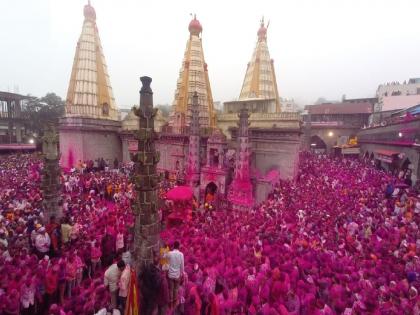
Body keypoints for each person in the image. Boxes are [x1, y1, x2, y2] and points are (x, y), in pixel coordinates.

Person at [165, 241, 184, 309]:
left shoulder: (169, 253)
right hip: (177, 275)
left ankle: (170, 305)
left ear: (173, 246)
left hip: (170, 275)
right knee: (176, 289)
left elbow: (166, 262)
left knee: (171, 290)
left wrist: (166, 272)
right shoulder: (181, 254)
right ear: (178, 246)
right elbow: (182, 266)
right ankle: (174, 305)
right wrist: (182, 274)